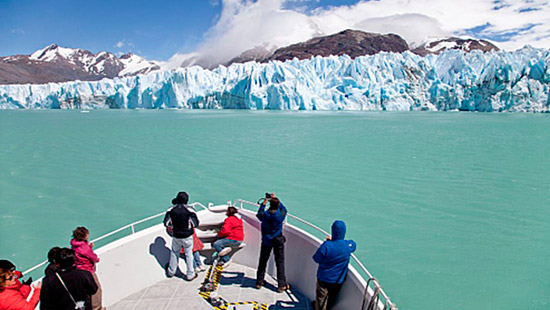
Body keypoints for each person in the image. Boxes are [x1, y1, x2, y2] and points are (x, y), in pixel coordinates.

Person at [312, 220, 356, 310]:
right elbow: (353, 244)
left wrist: (330, 241)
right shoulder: (347, 246)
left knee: (321, 297)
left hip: (324, 278)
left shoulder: (327, 246)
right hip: (338, 280)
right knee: (332, 297)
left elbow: (316, 258)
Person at [255, 193, 290, 293]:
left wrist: (263, 203)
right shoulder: (280, 215)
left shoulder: (264, 215)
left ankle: (259, 282)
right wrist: (275, 199)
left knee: (263, 261)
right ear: (278, 205)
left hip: (266, 240)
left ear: (269, 205)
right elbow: (285, 209)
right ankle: (281, 285)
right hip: (277, 240)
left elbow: (259, 213)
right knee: (279, 262)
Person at [163, 191, 199, 281]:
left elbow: (166, 223)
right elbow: (195, 224)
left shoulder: (171, 210)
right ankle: (190, 274)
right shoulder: (190, 210)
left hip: (176, 235)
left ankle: (171, 271)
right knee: (189, 254)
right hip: (187, 236)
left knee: (175, 253)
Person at [71, 227, 103, 310]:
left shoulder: (74, 245)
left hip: (78, 270)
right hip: (88, 271)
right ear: (84, 235)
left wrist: (89, 247)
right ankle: (97, 308)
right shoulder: (84, 249)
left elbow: (80, 253)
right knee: (96, 290)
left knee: (86, 291)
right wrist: (97, 259)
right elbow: (92, 257)